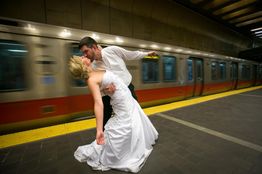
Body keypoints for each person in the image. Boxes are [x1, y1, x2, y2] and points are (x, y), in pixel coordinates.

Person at [68, 56, 158, 173]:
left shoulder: (95, 69)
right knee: (126, 123)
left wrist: (107, 90)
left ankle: (130, 144)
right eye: (81, 58)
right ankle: (122, 153)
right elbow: (98, 103)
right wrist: (99, 130)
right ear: (82, 65)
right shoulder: (90, 80)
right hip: (121, 102)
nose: (83, 56)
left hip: (125, 96)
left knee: (131, 122)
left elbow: (103, 87)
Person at [78, 36, 157, 128]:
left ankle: (138, 133)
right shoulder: (93, 66)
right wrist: (106, 90)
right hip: (109, 95)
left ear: (94, 47)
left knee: (135, 112)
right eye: (83, 52)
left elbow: (131, 55)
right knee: (105, 115)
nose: (85, 55)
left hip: (127, 87)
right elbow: (97, 86)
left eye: (86, 51)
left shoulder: (112, 50)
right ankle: (103, 136)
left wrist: (146, 54)